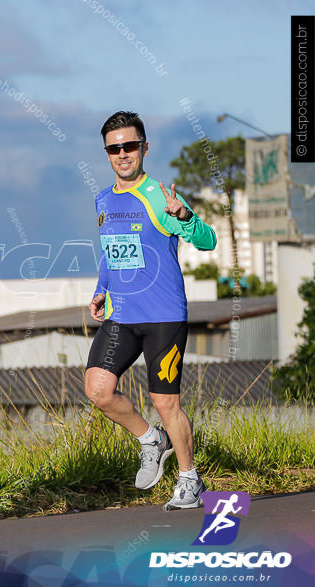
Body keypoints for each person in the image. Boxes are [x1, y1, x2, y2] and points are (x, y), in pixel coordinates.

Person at [85, 111, 217, 511]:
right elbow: (111, 253)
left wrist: (185, 216)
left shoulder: (161, 195)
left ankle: (190, 479)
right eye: (114, 148)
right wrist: (100, 290)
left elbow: (208, 240)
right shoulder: (103, 198)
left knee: (165, 403)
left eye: (130, 145)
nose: (123, 154)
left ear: (145, 147)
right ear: (107, 153)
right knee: (98, 390)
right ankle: (150, 439)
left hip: (163, 315)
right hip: (121, 314)